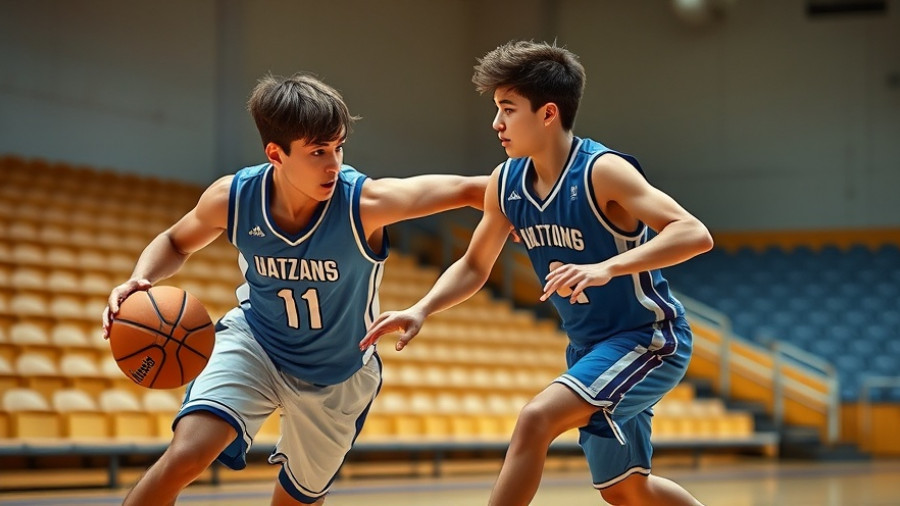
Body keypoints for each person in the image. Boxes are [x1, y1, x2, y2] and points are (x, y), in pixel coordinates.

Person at [101, 73, 487, 506]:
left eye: (338, 147)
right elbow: (175, 240)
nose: (333, 164)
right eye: (318, 151)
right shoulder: (232, 198)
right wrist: (142, 277)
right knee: (185, 457)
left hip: (338, 372)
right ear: (276, 153)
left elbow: (474, 189)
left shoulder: (365, 203)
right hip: (257, 344)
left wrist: (526, 211)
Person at [360, 40, 713, 506]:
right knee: (625, 490)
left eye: (508, 108)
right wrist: (423, 307)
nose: (496, 123)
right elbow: (473, 263)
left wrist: (607, 266)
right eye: (496, 109)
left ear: (548, 113)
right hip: (589, 346)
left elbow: (694, 232)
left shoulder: (603, 172)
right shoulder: (507, 182)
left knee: (536, 419)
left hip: (648, 337)